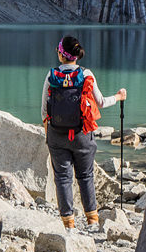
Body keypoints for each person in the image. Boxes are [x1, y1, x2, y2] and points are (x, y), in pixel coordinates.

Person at [41, 35, 126, 230]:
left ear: (62, 55)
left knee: (62, 178)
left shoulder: (52, 75)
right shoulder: (86, 74)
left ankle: (68, 224)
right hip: (82, 134)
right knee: (85, 176)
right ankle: (92, 221)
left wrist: (50, 135)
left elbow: (44, 111)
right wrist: (120, 97)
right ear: (76, 56)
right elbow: (101, 102)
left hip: (57, 135)